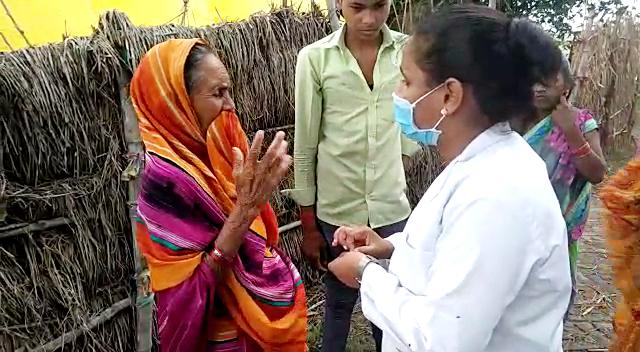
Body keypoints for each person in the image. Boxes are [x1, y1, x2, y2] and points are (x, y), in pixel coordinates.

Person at [328, 6, 572, 351]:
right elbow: (452, 247)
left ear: (449, 95)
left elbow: (442, 339)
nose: (397, 93)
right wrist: (390, 247)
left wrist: (366, 274)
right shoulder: (477, 161)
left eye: (407, 80)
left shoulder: (497, 195)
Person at [130, 39, 307, 351]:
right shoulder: (167, 180)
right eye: (218, 93)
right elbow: (184, 289)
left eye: (229, 91)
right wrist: (245, 211)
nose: (231, 105)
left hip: (250, 325)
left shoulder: (217, 148)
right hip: (219, 336)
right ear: (177, 101)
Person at [288, 0, 419, 351]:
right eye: (357, 7)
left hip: (391, 208)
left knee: (390, 309)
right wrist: (309, 224)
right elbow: (305, 145)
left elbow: (416, 125)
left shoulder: (409, 51)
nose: (369, 19)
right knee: (339, 304)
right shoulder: (315, 59)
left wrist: (398, 159)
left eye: (379, 6)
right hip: (337, 208)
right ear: (339, 4)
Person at [521, 57, 607, 316]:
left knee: (549, 296)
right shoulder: (512, 119)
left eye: (549, 80)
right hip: (515, 220)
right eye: (534, 79)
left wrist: (570, 130)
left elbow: (597, 173)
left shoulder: (581, 122)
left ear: (566, 88)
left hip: (558, 227)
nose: (539, 87)